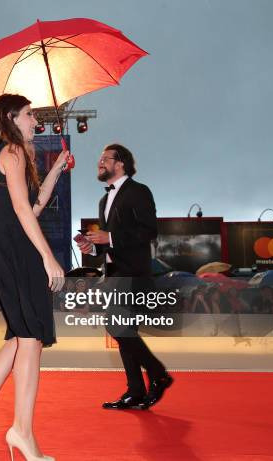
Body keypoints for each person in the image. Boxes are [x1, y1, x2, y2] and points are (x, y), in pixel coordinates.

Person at [0, 94, 66, 460]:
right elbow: (22, 210)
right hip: (19, 256)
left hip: (9, 254)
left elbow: (33, 206)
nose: (36, 121)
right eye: (30, 114)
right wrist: (48, 257)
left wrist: (55, 171)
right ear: (11, 117)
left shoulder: (5, 155)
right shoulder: (13, 153)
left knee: (18, 340)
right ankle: (21, 432)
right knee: (30, 340)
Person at [78, 143, 173, 410]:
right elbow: (109, 242)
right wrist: (94, 246)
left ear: (120, 163)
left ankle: (157, 374)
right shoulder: (103, 199)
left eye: (104, 159)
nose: (99, 163)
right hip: (115, 273)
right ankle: (136, 390)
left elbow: (149, 231)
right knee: (122, 329)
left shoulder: (139, 191)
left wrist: (111, 237)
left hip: (134, 273)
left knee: (117, 326)